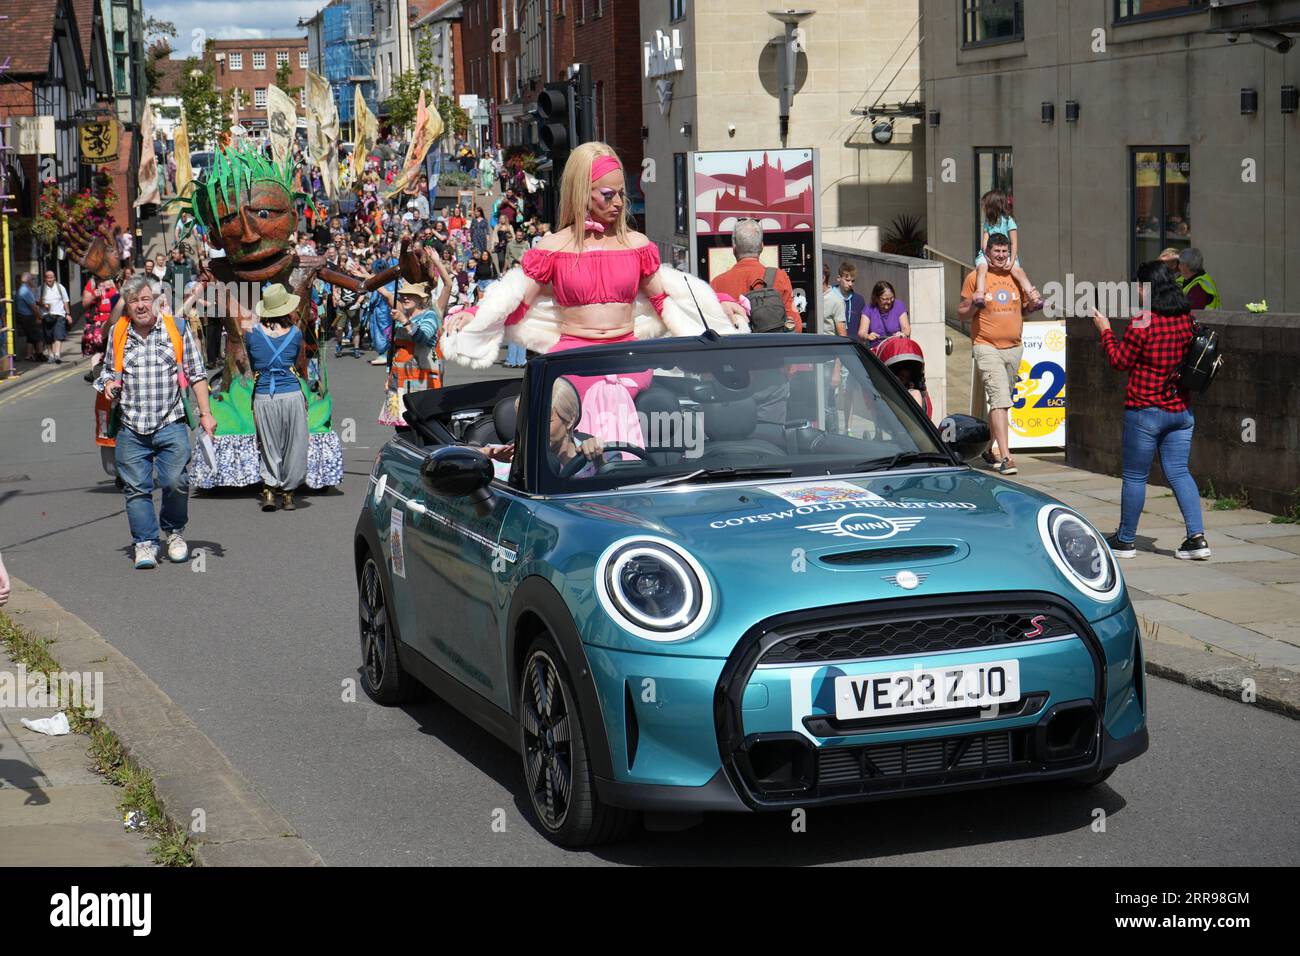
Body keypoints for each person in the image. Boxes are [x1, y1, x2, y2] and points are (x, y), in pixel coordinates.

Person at [442, 141, 740, 391]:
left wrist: (716, 306)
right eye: (608, 195)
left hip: (629, 363)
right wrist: (476, 315)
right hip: (571, 367)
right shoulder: (554, 248)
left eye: (622, 194)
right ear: (583, 194)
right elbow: (516, 302)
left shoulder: (636, 245)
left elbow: (667, 298)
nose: (619, 203)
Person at [94, 277, 216, 569]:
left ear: (156, 300)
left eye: (145, 299)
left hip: (170, 422)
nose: (140, 305)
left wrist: (205, 413)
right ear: (127, 305)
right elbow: (107, 371)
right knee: (136, 488)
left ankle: (173, 532)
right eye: (134, 300)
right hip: (131, 425)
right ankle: (145, 543)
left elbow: (196, 374)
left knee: (176, 481)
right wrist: (109, 383)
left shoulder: (176, 328)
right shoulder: (119, 332)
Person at [1094, 260, 1209, 561]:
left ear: (1148, 288)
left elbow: (1120, 360)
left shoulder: (1144, 320)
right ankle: (1196, 539)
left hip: (1145, 410)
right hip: (1180, 411)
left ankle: (1126, 540)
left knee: (1134, 476)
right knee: (1180, 472)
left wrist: (1105, 330)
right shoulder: (1187, 319)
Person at [957, 233, 1023, 476]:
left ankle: (988, 447)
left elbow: (1025, 307)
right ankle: (1006, 457)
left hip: (1014, 347)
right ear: (987, 252)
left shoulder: (1015, 275)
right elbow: (962, 312)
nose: (1001, 255)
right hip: (986, 346)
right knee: (999, 399)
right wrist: (976, 303)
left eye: (1005, 251)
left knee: (1002, 402)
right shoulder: (976, 277)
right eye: (997, 251)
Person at [247, 284, 310, 512]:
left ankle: (269, 490)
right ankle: (289, 493)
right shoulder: (295, 334)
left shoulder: (252, 334)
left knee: (268, 443)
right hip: (291, 392)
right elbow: (293, 361)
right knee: (294, 442)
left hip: (264, 394)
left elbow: (255, 364)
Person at [377, 267, 451, 426]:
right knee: (402, 429)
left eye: (410, 295)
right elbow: (395, 352)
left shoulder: (430, 316)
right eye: (403, 295)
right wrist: (389, 377)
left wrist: (404, 321)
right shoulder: (402, 316)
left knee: (421, 428)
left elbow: (423, 338)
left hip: (420, 380)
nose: (405, 298)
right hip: (399, 380)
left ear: (421, 299)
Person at [710, 219, 801, 331]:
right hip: (766, 347)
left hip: (735, 347)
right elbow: (795, 326)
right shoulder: (779, 277)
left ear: (734, 248)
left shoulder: (716, 283)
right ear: (762, 247)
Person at [973, 189, 1043, 312]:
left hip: (1007, 254)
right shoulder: (988, 222)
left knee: (1019, 272)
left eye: (986, 206)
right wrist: (987, 257)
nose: (984, 209)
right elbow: (984, 242)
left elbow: (1014, 243)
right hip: (988, 253)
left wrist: (1011, 261)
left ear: (993, 206)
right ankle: (980, 294)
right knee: (982, 268)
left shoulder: (1009, 221)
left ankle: (1033, 296)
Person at [861, 280, 911, 347]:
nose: (889, 301)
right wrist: (867, 336)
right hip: (877, 349)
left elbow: (906, 329)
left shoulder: (899, 305)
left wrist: (902, 334)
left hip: (896, 347)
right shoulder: (868, 309)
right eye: (885, 299)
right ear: (876, 298)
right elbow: (861, 332)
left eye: (891, 298)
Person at [40, 270, 71, 364]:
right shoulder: (41, 289)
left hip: (59, 315)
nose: (49, 279)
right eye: (47, 277)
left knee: (59, 335)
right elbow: (36, 301)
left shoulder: (60, 287)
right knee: (48, 337)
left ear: (54, 278)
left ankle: (57, 354)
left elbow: (66, 301)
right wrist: (43, 304)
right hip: (46, 315)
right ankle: (50, 355)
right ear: (45, 278)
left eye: (51, 277)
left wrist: (68, 314)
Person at [15, 273, 45, 363]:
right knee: (38, 335)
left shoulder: (24, 289)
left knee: (30, 336)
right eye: (32, 279)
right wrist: (40, 317)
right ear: (28, 281)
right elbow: (33, 307)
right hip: (27, 316)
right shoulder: (25, 291)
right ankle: (39, 355)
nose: (34, 281)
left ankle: (29, 355)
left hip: (24, 316)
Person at [835, 261, 867, 340]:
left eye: (852, 281)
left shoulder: (859, 300)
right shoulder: (830, 296)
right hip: (833, 345)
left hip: (853, 347)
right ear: (839, 278)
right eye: (847, 280)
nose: (850, 284)